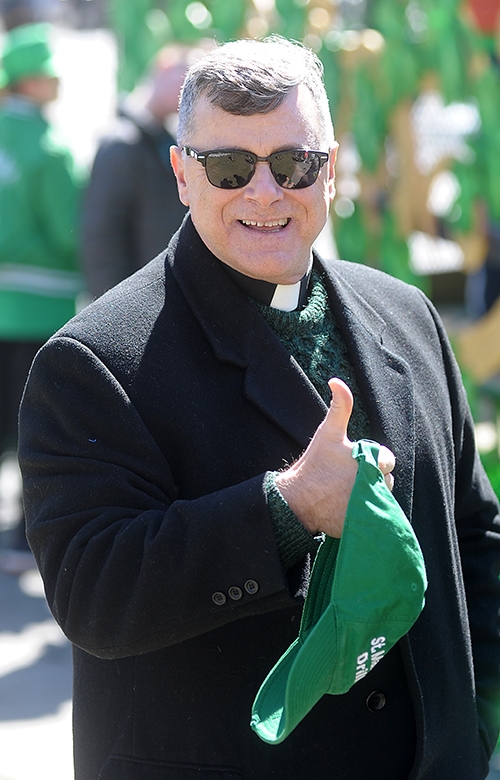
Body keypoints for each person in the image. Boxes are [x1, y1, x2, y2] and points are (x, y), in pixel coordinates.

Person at [18, 36, 500, 780]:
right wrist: (288, 506)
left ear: (330, 170)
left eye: (295, 163)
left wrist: (484, 713)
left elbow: (475, 534)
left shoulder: (408, 314)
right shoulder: (93, 360)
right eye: (231, 167)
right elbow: (95, 594)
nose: (266, 192)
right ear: (182, 174)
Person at [0, 22, 83, 573]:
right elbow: (70, 233)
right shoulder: (49, 149)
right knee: (32, 429)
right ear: (32, 80)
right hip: (38, 305)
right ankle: (18, 537)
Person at [81, 44, 190, 299]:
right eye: (185, 77)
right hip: (128, 308)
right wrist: (109, 311)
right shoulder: (120, 143)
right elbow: (102, 239)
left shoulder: (159, 140)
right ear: (163, 69)